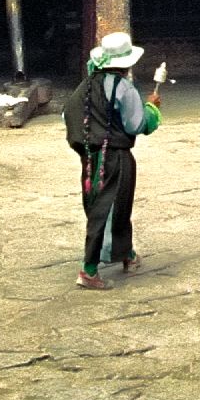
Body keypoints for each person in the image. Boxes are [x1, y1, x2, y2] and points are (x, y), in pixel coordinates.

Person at [70, 31, 160, 290]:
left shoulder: (87, 84)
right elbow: (136, 124)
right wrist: (152, 108)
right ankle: (89, 270)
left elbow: (70, 115)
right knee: (110, 209)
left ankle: (127, 254)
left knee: (107, 206)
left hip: (91, 157)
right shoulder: (123, 88)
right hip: (116, 157)